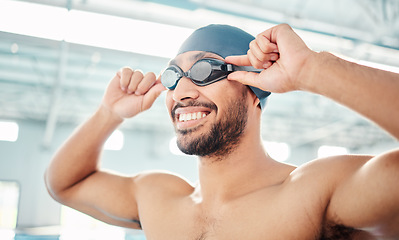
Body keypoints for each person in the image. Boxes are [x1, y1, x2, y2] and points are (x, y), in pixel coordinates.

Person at [45, 23, 399, 239]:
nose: (181, 92)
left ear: (254, 92)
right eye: (173, 76)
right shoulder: (159, 198)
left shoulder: (316, 194)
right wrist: (108, 114)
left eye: (204, 70)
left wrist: (312, 69)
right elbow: (63, 184)